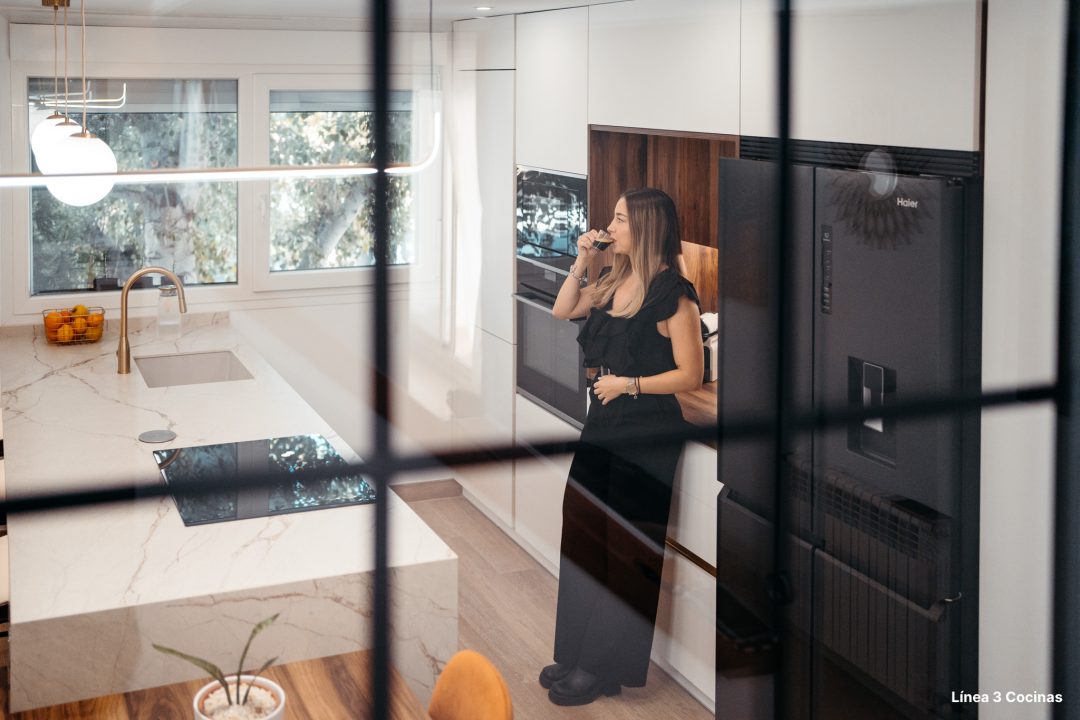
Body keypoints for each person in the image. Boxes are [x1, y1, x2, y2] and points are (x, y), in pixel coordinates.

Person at [542, 187, 704, 706]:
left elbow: (690, 375)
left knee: (627, 548)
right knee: (585, 535)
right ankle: (577, 652)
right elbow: (561, 310)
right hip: (606, 421)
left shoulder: (673, 295)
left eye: (619, 219)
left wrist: (630, 385)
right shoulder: (614, 278)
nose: (609, 226)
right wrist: (583, 258)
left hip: (648, 431)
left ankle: (601, 667)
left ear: (646, 229)